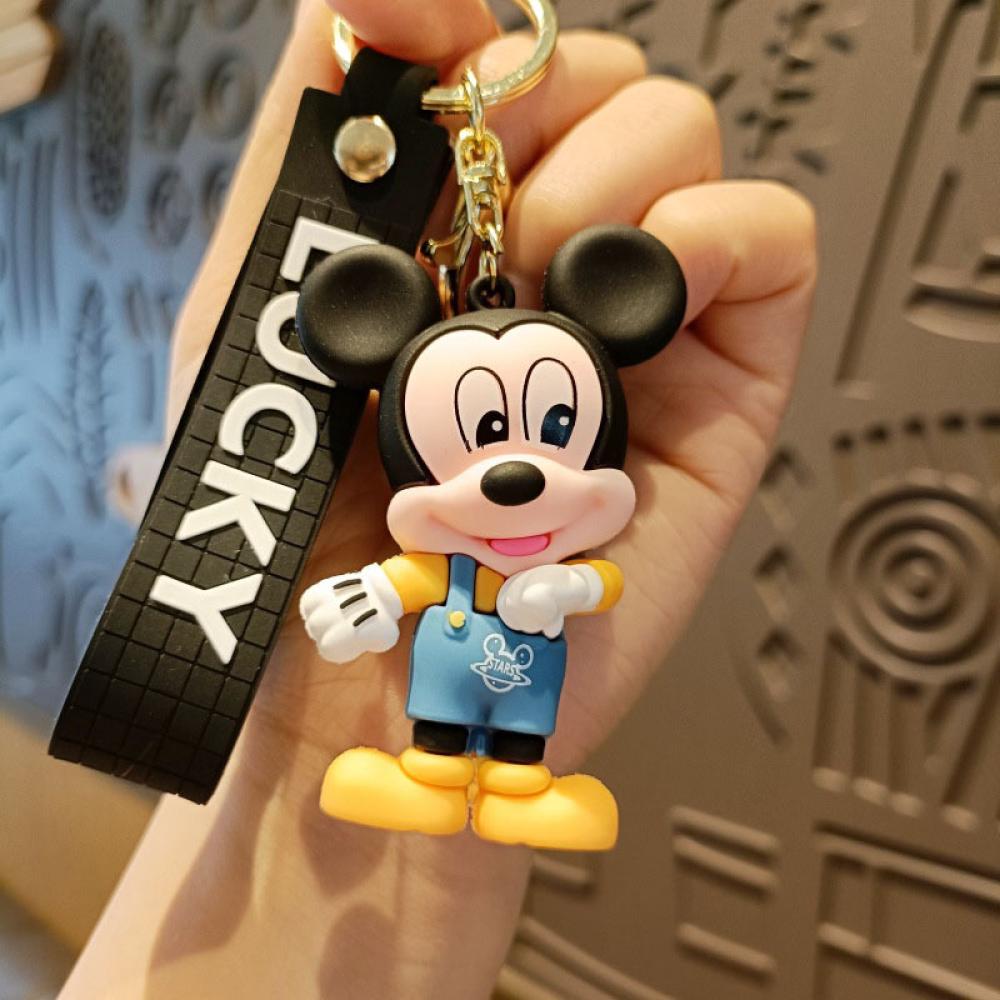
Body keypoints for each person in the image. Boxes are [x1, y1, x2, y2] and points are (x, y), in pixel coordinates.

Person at [61, 1, 816, 996]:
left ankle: (515, 786)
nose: (513, 474)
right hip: (436, 665)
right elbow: (405, 582)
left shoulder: (561, 559)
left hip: (520, 673)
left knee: (512, 749)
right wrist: (361, 598)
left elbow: (595, 585)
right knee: (440, 735)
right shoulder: (434, 549)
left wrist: (567, 587)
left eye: (556, 424)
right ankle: (427, 774)